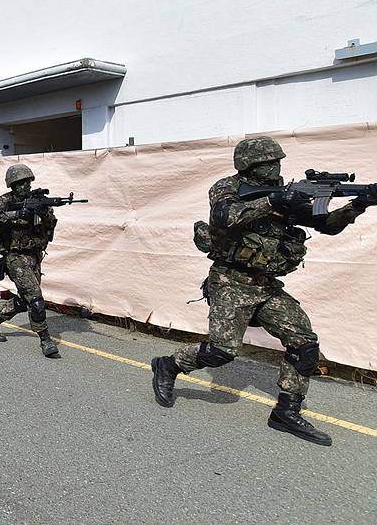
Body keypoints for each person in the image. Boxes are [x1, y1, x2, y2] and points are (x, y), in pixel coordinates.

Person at [150, 135, 376, 445]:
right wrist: (275, 201)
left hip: (266, 285)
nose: (276, 167)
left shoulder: (286, 194)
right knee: (222, 351)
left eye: (278, 162)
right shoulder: (226, 187)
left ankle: (286, 412)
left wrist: (359, 204)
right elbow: (224, 217)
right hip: (231, 281)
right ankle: (168, 364)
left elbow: (327, 224)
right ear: (249, 165)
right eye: (270, 163)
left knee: (304, 342)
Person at [0, 163, 61, 358]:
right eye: (22, 183)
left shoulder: (38, 201)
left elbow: (49, 226)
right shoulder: (5, 200)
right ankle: (46, 340)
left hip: (34, 255)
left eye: (28, 181)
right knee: (36, 300)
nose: (27, 186)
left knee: (26, 299)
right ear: (13, 185)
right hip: (15, 257)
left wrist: (45, 217)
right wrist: (16, 214)